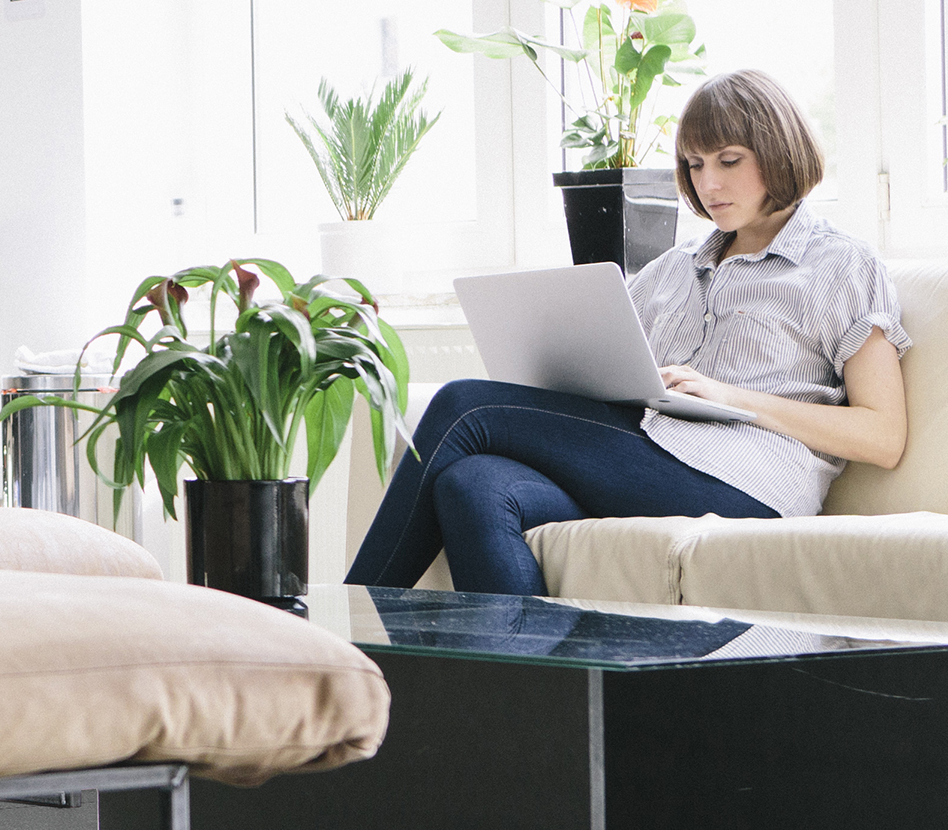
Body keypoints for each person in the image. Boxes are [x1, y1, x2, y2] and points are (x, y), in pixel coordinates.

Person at [345, 69, 911, 598]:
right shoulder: (670, 270)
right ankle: (538, 673)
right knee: (472, 484)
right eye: (694, 164)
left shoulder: (842, 265)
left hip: (746, 483)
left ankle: (340, 626)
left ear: (780, 152)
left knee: (464, 406)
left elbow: (883, 437)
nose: (709, 183)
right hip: (643, 459)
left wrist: (731, 397)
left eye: (729, 160)